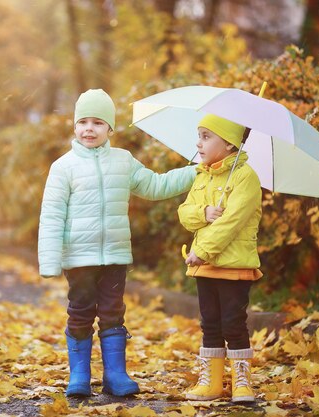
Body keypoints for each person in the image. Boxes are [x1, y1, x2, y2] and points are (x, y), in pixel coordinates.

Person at [38, 89, 196, 397]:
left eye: (98, 122)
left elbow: (155, 185)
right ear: (74, 126)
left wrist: (194, 172)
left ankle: (115, 374)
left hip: (115, 255)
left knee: (113, 312)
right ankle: (80, 375)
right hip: (79, 258)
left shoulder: (123, 161)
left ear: (111, 128)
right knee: (80, 311)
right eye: (83, 121)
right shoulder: (63, 167)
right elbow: (52, 215)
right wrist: (50, 259)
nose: (89, 128)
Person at [178, 113, 262, 403]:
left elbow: (233, 222)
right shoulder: (202, 174)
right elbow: (185, 213)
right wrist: (203, 213)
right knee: (210, 323)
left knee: (233, 322)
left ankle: (241, 382)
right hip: (205, 267)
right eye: (199, 135)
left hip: (233, 265)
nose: (198, 143)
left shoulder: (245, 177)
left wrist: (202, 251)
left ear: (228, 144)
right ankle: (211, 382)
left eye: (205, 136)